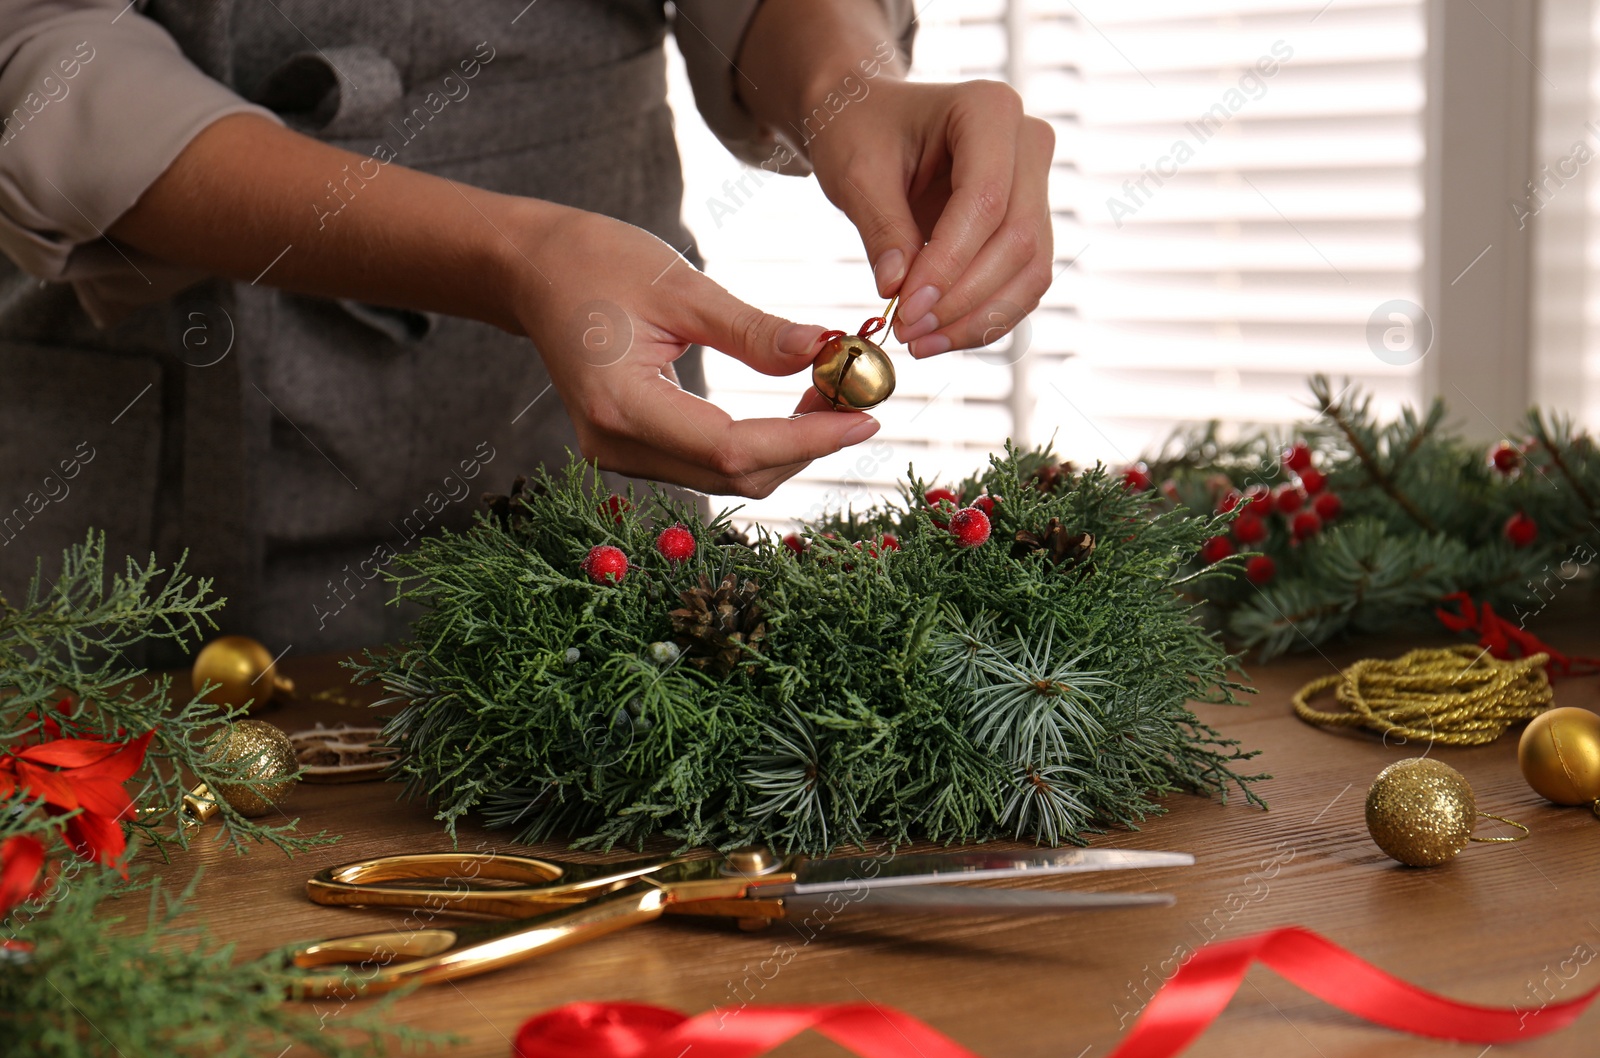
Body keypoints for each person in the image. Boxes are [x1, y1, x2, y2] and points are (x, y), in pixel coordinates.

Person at [0, 0, 1055, 662]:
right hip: (121, 468)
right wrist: (514, 255)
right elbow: (40, 59)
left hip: (574, 457)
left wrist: (845, 86)